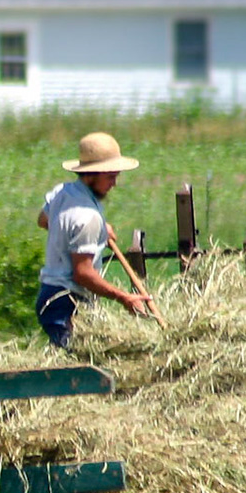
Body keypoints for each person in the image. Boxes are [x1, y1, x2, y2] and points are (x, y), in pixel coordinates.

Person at [35, 131, 152, 347]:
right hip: (66, 301)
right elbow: (83, 274)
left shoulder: (63, 192)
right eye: (110, 177)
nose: (114, 183)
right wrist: (124, 298)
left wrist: (94, 233)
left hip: (51, 295)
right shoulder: (88, 217)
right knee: (76, 370)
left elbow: (44, 220)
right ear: (90, 175)